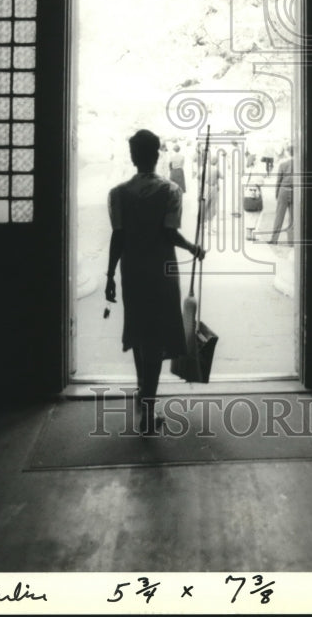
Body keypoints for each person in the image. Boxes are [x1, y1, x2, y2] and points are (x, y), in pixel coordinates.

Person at [105, 129, 205, 434]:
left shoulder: (118, 193)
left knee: (139, 333)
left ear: (133, 156)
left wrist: (109, 275)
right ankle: (148, 411)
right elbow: (169, 233)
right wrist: (193, 248)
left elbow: (118, 237)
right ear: (157, 155)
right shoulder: (171, 191)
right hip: (161, 272)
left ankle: (143, 393)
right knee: (157, 338)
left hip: (133, 272)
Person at [270, 145, 294, 245]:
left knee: (279, 216)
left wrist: (277, 194)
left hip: (283, 190)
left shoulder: (283, 164)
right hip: (295, 191)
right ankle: (291, 241)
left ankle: (274, 239)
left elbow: (278, 181)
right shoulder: (301, 164)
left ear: (288, 152)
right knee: (293, 218)